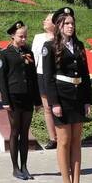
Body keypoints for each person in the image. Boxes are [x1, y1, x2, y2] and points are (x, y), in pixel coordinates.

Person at [42, 7, 92, 183]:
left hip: (78, 97)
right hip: (62, 98)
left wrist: (87, 100)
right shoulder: (49, 46)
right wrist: (54, 103)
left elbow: (86, 74)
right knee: (63, 141)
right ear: (59, 25)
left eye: (72, 23)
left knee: (76, 141)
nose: (70, 26)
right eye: (66, 23)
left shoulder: (79, 45)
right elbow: (48, 78)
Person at [0, 20, 39, 180]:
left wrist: (37, 100)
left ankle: (24, 166)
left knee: (25, 132)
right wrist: (5, 101)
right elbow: (2, 79)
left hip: (27, 96)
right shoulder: (5, 53)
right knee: (15, 131)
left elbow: (33, 77)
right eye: (21, 36)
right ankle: (15, 168)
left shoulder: (29, 52)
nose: (23, 39)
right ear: (12, 36)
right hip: (14, 97)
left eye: (25, 36)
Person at [31, 13, 59, 149]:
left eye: (47, 20)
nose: (44, 21)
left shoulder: (61, 38)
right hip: (42, 75)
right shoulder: (38, 37)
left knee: (59, 106)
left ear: (54, 24)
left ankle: (63, 135)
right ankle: (53, 138)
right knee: (47, 108)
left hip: (57, 76)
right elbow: (33, 58)